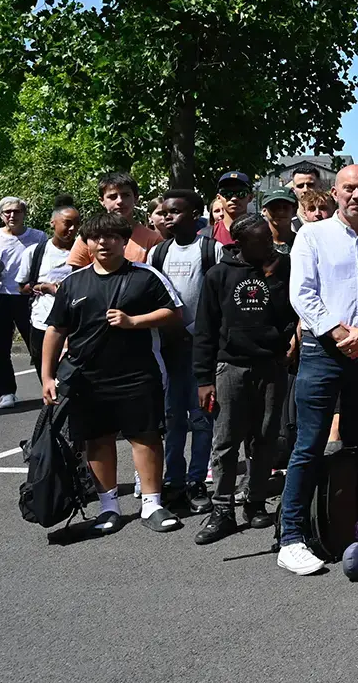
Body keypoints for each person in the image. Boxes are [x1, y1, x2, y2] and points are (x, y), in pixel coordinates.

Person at [280, 165, 358, 575]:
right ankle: (292, 537)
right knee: (310, 444)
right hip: (323, 351)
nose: (356, 195)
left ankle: (350, 519)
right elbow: (302, 293)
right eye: (348, 188)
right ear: (334, 192)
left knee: (354, 442)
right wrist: (338, 333)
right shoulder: (311, 236)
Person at [41, 212, 184, 534]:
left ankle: (152, 505)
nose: (103, 243)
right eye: (96, 238)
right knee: (97, 440)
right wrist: (47, 377)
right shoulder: (73, 283)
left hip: (137, 372)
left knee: (145, 436)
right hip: (87, 377)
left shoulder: (146, 276)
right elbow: (56, 329)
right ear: (87, 243)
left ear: (123, 241)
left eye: (112, 237)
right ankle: (109, 508)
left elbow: (174, 312)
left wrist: (134, 321)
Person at [192, 216, 296, 543]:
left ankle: (255, 504)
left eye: (269, 238)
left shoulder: (284, 268)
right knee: (225, 441)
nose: (269, 244)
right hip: (230, 368)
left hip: (271, 366)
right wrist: (203, 379)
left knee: (265, 439)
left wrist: (286, 339)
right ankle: (222, 510)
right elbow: (205, 329)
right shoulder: (218, 275)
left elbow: (294, 311)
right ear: (240, 244)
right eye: (261, 240)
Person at [150, 189, 222, 514]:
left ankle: (197, 481)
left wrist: (194, 332)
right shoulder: (158, 252)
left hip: (201, 347)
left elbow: (219, 299)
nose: (167, 218)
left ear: (194, 214)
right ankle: (174, 481)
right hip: (169, 348)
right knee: (173, 416)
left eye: (175, 212)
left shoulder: (211, 249)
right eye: (164, 213)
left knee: (202, 417)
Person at [22, 202, 81, 379]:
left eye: (77, 224)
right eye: (67, 223)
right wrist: (44, 287)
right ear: (52, 222)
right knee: (45, 371)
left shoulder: (85, 249)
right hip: (43, 322)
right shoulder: (36, 252)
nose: (72, 229)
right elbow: (22, 287)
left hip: (75, 323)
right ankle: (50, 403)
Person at [0, 197, 45, 408]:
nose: (12, 216)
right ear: (1, 215)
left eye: (16, 212)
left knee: (37, 346)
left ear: (24, 213)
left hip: (29, 296)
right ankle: (7, 392)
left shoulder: (38, 237)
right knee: (1, 348)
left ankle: (48, 386)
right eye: (7, 212)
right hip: (2, 296)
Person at [67, 171, 160, 268]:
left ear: (136, 198)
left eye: (125, 195)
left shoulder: (153, 239)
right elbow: (77, 277)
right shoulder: (88, 236)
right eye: (112, 197)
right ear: (102, 201)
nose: (120, 201)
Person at [212, 171, 254, 246]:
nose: (234, 198)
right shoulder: (206, 236)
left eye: (241, 193)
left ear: (250, 197)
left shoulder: (263, 234)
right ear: (219, 198)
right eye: (227, 193)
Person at [261, 187, 297, 255]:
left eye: (286, 207)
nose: (280, 212)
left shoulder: (303, 242)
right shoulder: (257, 244)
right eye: (274, 207)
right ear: (264, 210)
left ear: (294, 211)